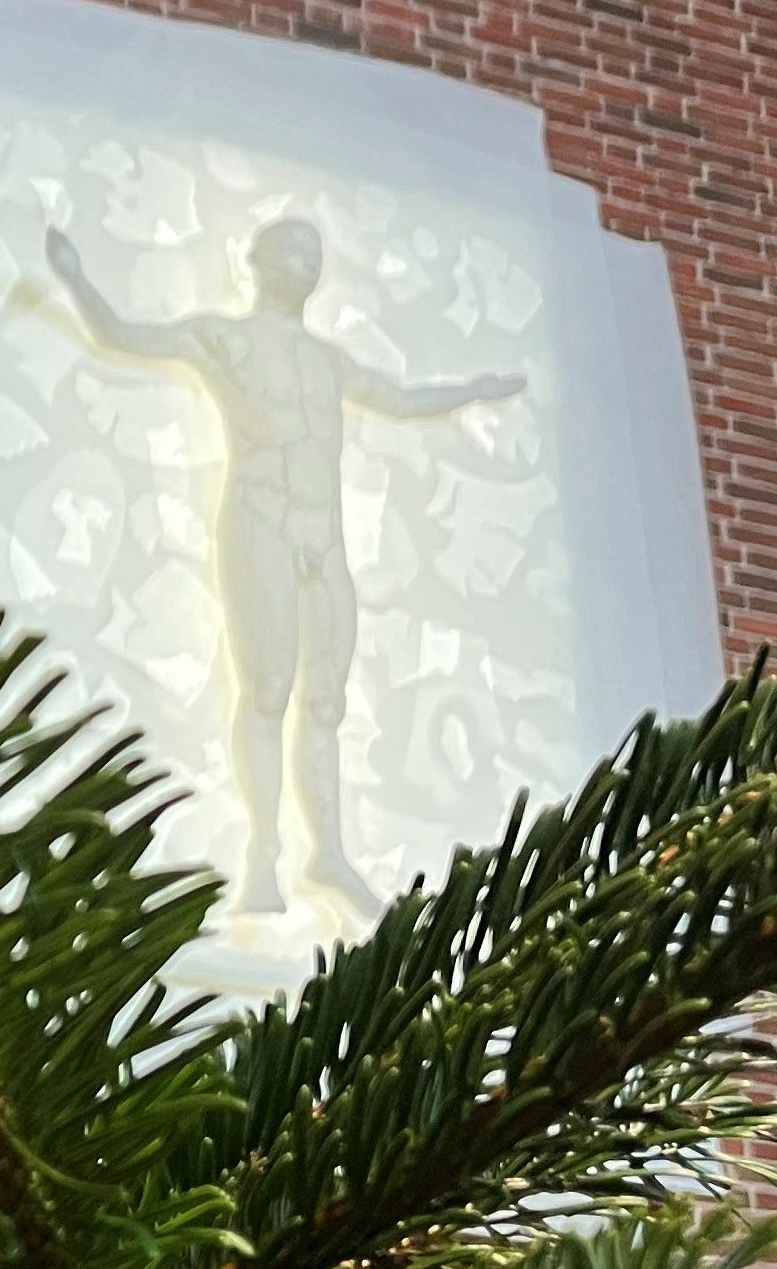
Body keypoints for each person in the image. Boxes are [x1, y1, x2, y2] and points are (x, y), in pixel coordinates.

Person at [44, 220, 524, 916]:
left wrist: (472, 390)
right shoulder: (221, 338)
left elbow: (399, 398)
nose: (305, 262)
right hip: (259, 522)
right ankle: (263, 853)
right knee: (268, 688)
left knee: (326, 701)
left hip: (324, 537)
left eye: (314, 254)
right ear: (259, 259)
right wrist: (74, 277)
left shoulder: (329, 361)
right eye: (292, 250)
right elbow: (122, 335)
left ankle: (328, 853)